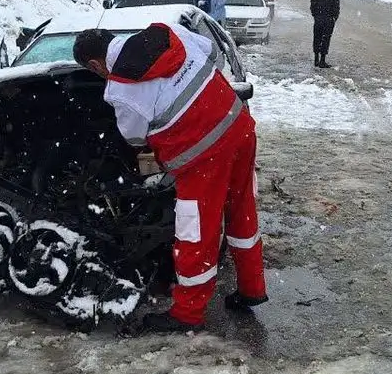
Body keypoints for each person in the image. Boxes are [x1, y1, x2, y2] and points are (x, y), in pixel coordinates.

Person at [72, 23, 268, 334]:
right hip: (237, 124)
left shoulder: (122, 88)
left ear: (94, 65)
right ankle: (252, 287)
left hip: (203, 154)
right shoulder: (167, 32)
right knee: (240, 208)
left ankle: (187, 314)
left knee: (195, 231)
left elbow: (134, 136)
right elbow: (208, 53)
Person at [309, 0, 341, 68]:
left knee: (317, 37)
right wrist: (335, 17)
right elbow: (336, 6)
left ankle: (316, 59)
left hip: (319, 19)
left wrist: (315, 15)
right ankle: (322, 60)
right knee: (325, 39)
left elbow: (312, 3)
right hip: (329, 20)